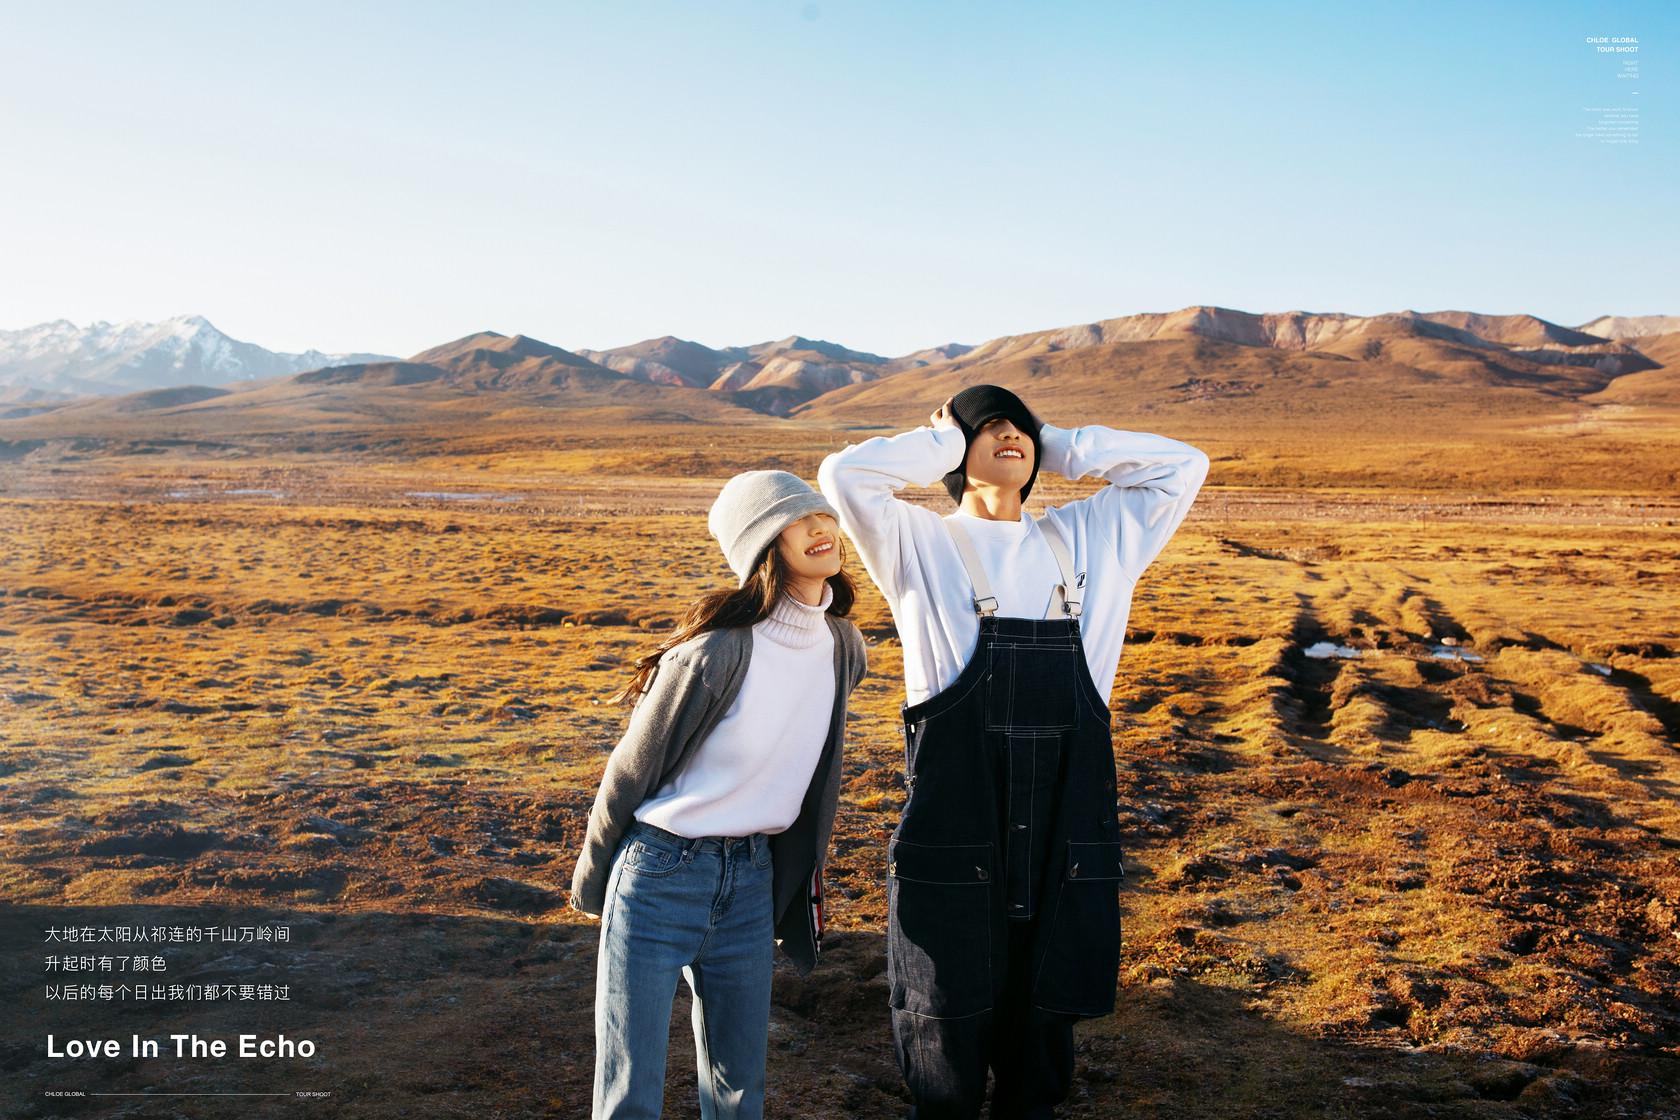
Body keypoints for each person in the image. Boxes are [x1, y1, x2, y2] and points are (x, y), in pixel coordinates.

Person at [817, 385, 1209, 1119]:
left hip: (1067, 817)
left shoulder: (1093, 537)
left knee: (1045, 1020)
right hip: (956, 814)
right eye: (989, 426)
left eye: (1019, 427)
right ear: (957, 450)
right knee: (946, 1012)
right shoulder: (918, 543)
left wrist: (1057, 441)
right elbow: (845, 477)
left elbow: (1183, 465)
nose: (1010, 435)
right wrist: (943, 444)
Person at [570, 470, 869, 1120]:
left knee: (740, 1093)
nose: (821, 528)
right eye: (798, 520)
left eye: (822, 514)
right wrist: (595, 885)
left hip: (752, 883)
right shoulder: (712, 655)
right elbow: (629, 774)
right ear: (764, 543)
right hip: (659, 874)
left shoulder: (844, 646)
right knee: (630, 1096)